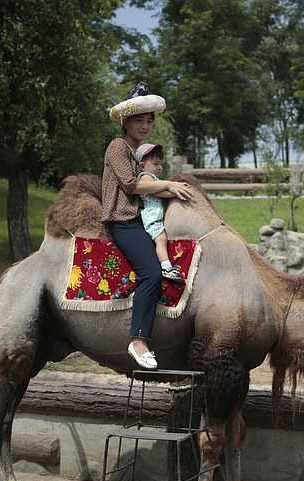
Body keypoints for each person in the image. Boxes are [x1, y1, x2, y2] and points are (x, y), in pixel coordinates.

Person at [103, 82, 194, 370]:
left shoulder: (135, 153)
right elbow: (132, 185)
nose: (144, 126)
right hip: (123, 221)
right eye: (138, 120)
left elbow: (149, 186)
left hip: (138, 221)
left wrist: (175, 189)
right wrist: (168, 184)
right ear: (125, 122)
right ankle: (138, 340)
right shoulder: (118, 146)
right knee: (151, 273)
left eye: (148, 121)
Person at [134, 142, 184, 283]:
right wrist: (174, 192)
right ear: (142, 166)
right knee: (161, 240)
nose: (159, 167)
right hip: (152, 217)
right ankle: (166, 267)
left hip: (155, 216)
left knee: (162, 239)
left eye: (160, 164)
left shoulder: (154, 179)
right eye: (155, 164)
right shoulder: (146, 178)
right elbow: (158, 193)